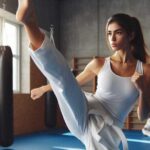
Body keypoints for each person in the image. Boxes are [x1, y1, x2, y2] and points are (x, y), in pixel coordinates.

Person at [16, 0, 150, 149]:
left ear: (131, 35)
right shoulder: (99, 64)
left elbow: (143, 116)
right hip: (87, 109)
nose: (112, 39)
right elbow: (71, 82)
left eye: (118, 33)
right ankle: (29, 22)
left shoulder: (145, 70)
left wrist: (143, 90)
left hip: (108, 130)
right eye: (109, 33)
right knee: (65, 77)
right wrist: (43, 89)